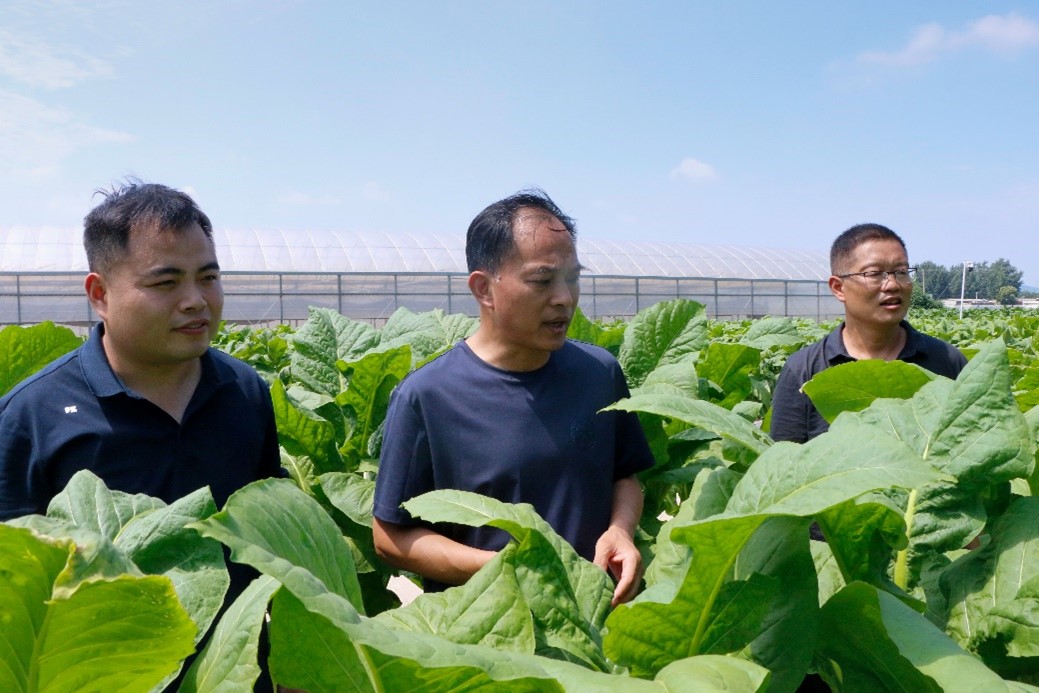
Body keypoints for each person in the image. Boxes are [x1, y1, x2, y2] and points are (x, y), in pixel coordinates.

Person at [0, 181, 282, 688]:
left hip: (230, 674)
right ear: (100, 294)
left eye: (208, 277)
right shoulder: (34, 414)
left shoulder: (246, 391)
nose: (196, 301)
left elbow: (271, 539)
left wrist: (289, 657)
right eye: (165, 283)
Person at [372, 189, 654, 606]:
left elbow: (624, 477)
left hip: (598, 617)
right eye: (542, 281)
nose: (564, 298)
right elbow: (390, 538)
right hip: (490, 625)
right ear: (484, 288)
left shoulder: (599, 372)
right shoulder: (427, 396)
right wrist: (509, 569)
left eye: (572, 278)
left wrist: (621, 531)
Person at [770, 223, 967, 444]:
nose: (892, 285)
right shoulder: (804, 370)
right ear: (838, 288)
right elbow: (786, 460)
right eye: (874, 273)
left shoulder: (948, 361)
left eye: (901, 272)